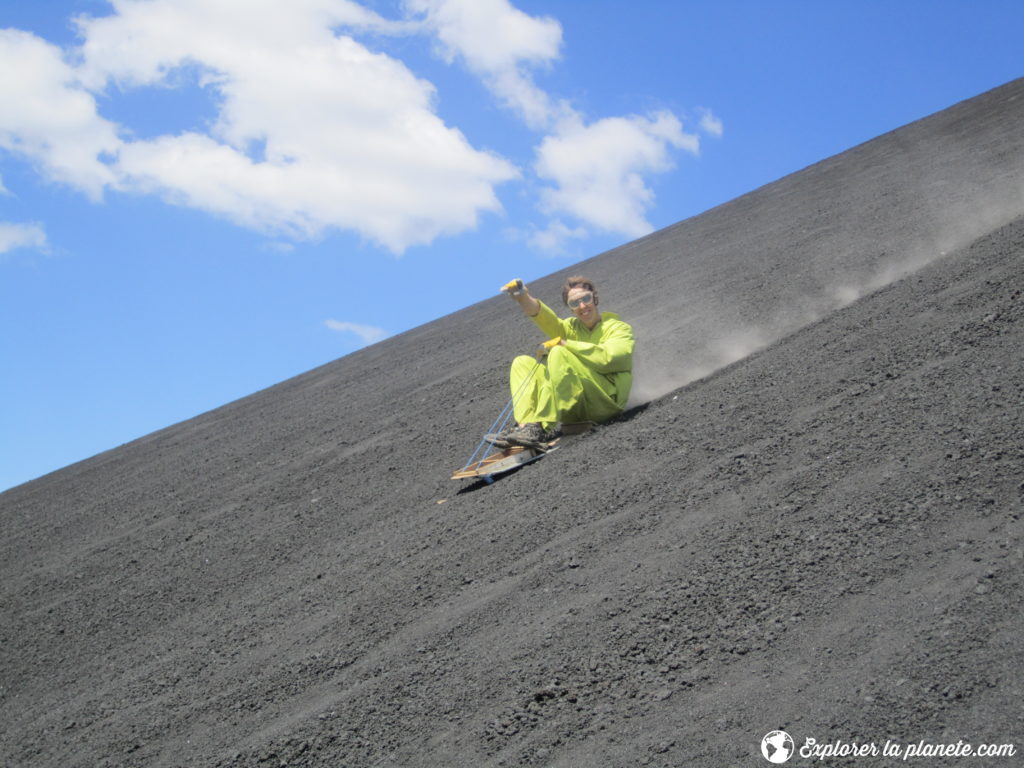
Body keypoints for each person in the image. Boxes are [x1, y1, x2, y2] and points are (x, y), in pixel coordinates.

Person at [490, 275, 635, 447]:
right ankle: (525, 427)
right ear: (570, 308)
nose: (582, 306)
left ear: (595, 298)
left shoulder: (618, 328)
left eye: (586, 298)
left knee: (559, 352)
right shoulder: (572, 328)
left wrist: (565, 344)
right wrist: (522, 296)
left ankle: (539, 427)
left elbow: (610, 358)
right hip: (577, 402)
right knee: (522, 362)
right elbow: (546, 320)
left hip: (606, 401)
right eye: (574, 303)